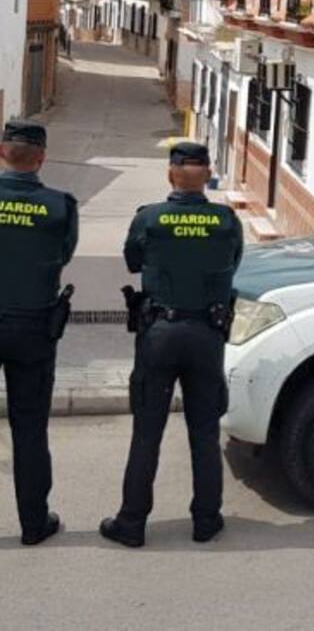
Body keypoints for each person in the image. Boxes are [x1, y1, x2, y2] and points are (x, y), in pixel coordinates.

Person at [100, 142, 243, 548]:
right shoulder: (226, 221)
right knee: (204, 431)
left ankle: (131, 523)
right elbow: (234, 263)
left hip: (159, 334)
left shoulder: (150, 218)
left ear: (170, 174)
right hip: (206, 336)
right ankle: (206, 520)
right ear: (209, 173)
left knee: (147, 432)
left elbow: (132, 261)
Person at [0, 120, 77, 545]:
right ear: (41, 158)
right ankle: (34, 524)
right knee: (29, 428)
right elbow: (63, 254)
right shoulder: (60, 205)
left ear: (1, 152)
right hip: (32, 327)